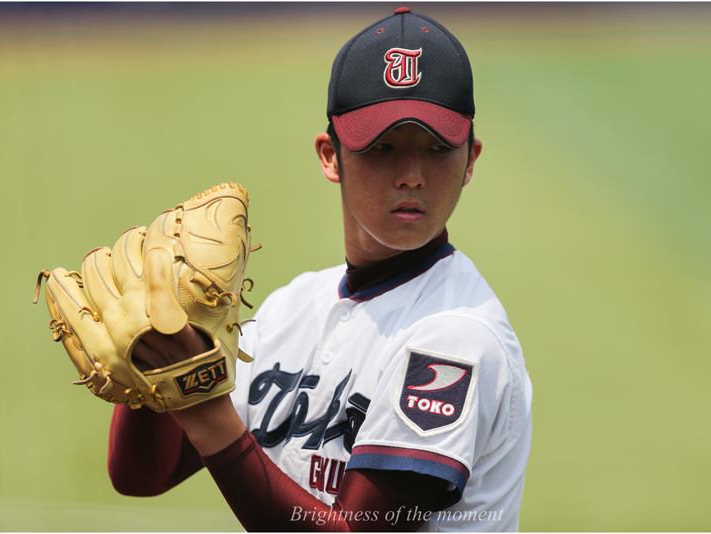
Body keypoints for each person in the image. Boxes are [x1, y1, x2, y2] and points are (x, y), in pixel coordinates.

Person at [108, 7, 533, 532]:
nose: (411, 175)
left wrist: (201, 406)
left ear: (470, 159)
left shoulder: (456, 338)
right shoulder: (291, 308)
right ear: (331, 156)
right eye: (382, 147)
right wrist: (153, 358)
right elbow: (142, 474)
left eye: (437, 149)